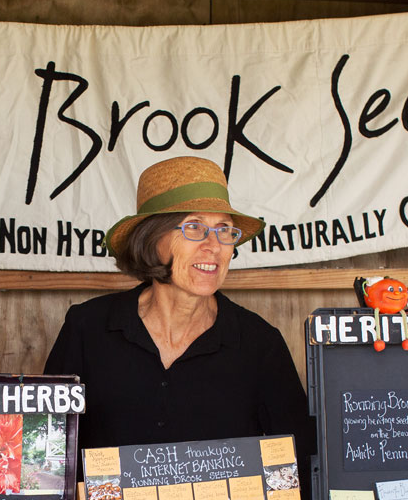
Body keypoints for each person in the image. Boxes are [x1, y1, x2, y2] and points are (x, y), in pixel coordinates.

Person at [43, 156, 313, 481]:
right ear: (151, 239)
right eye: (194, 227)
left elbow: (298, 468)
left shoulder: (259, 344)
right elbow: (51, 451)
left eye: (224, 230)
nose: (214, 246)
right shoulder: (88, 329)